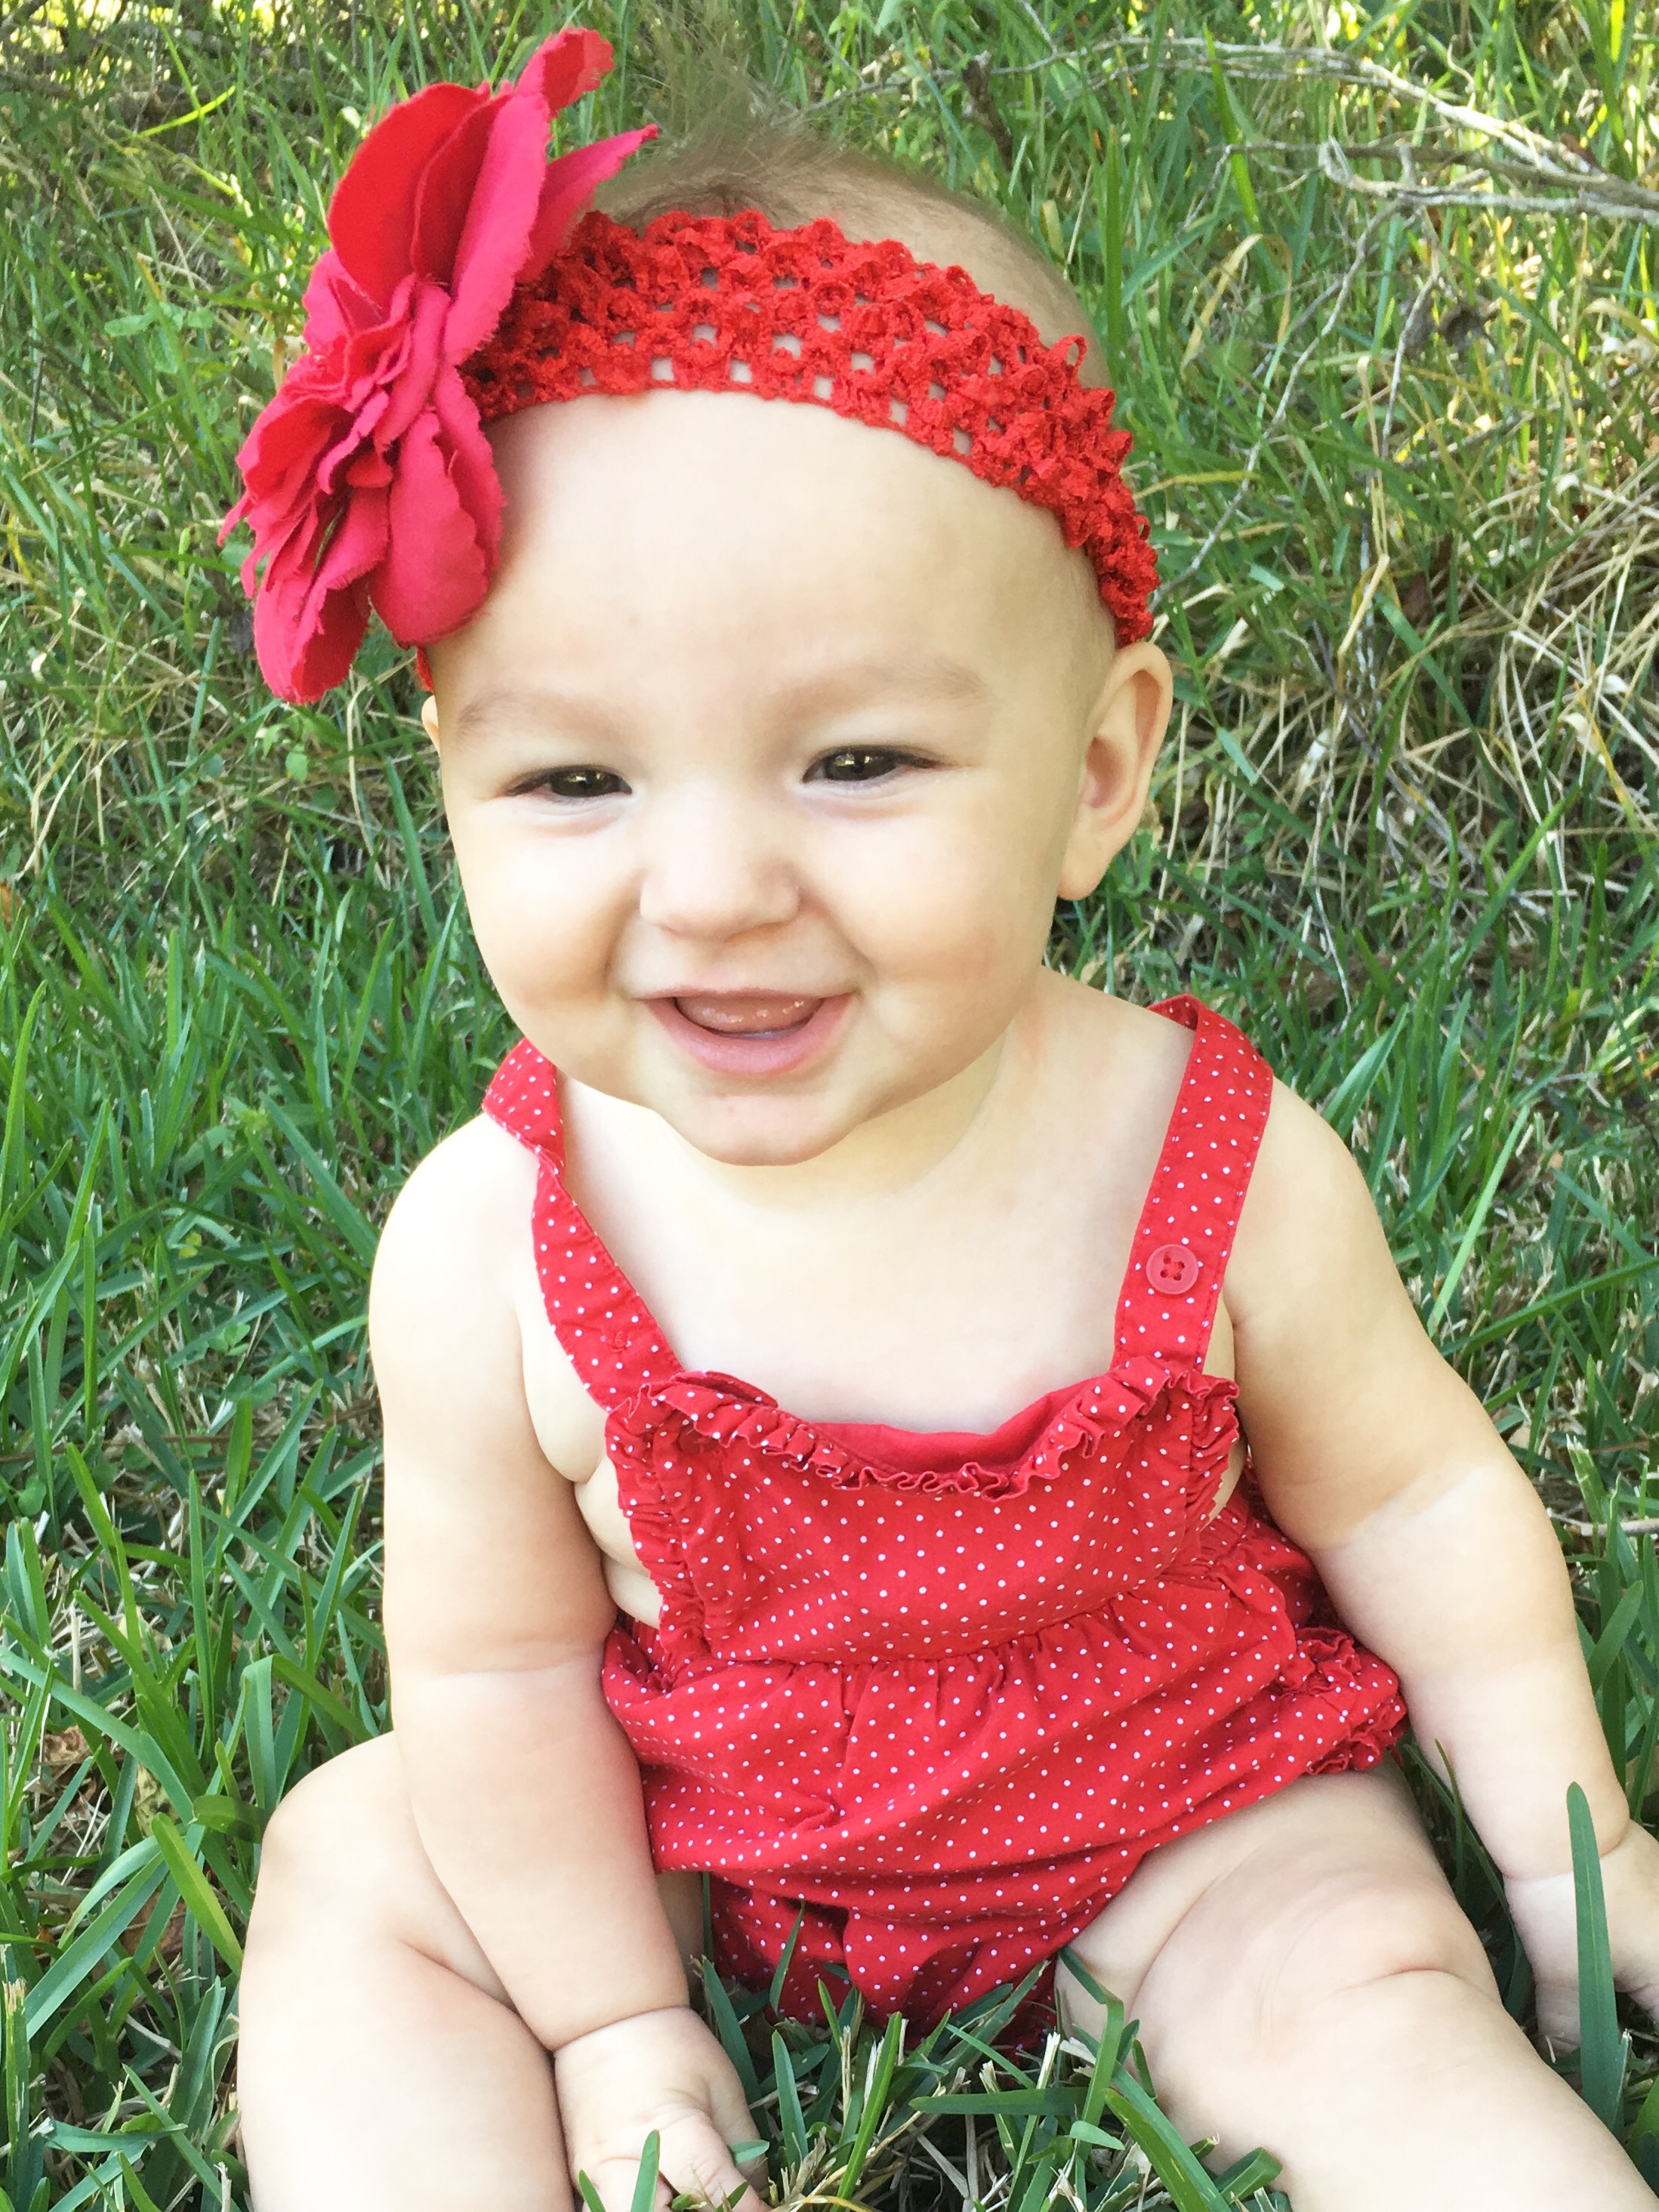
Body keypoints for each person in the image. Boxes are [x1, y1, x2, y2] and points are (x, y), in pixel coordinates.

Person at [224, 28, 1659, 2212]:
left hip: (1187, 1826)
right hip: (703, 1839)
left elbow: (1420, 1497)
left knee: (1359, 1982)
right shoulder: (489, 1244)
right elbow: (501, 1669)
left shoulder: (1206, 1160)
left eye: (858, 763)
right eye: (575, 779)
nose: (715, 887)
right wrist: (607, 2014)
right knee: (356, 1860)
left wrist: (1579, 1846)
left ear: (1096, 773)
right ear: (451, 783)